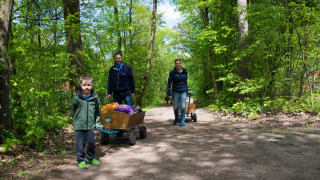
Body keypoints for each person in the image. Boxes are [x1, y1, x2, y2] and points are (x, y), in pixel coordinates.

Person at [71, 74, 101, 169]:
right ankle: (80, 159)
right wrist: (75, 121)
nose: (86, 87)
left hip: (91, 125)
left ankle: (90, 157)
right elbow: (73, 110)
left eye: (89, 85)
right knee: (80, 143)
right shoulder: (77, 98)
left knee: (92, 142)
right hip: (79, 125)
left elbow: (98, 111)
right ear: (80, 85)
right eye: (84, 85)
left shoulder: (95, 98)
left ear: (92, 85)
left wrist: (97, 122)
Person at [167, 59, 189, 127]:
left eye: (179, 63)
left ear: (181, 64)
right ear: (175, 64)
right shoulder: (172, 72)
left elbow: (185, 81)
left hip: (183, 91)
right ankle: (176, 118)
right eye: (177, 63)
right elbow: (169, 83)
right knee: (175, 107)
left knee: (183, 107)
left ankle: (182, 121)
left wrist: (187, 89)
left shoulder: (185, 71)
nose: (178, 64)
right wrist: (169, 93)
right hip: (175, 91)